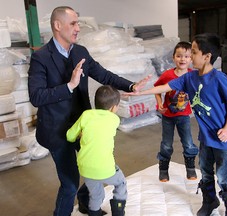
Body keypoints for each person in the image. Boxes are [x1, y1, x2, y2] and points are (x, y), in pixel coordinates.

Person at [28, 6, 150, 216]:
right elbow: (36, 96)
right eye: (73, 23)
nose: (78, 28)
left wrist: (130, 86)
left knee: (96, 166)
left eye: (78, 23)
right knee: (69, 183)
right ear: (58, 25)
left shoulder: (80, 52)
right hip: (57, 131)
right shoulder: (41, 58)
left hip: (82, 127)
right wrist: (69, 86)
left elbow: (103, 74)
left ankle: (85, 203)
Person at [124, 33, 227, 216]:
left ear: (207, 57)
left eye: (194, 52)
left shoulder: (218, 78)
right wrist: (139, 93)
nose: (190, 56)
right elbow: (165, 87)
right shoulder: (190, 78)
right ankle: (209, 201)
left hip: (223, 139)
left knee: (224, 174)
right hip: (206, 138)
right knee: (205, 171)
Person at [66, 85, 126, 216]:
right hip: (105, 168)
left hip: (86, 168)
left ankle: (94, 213)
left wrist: (80, 134)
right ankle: (118, 213)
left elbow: (70, 136)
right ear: (113, 108)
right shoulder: (115, 119)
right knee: (121, 183)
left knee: (96, 195)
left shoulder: (86, 115)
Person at [154, 41, 198, 182]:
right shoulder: (167, 75)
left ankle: (190, 170)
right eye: (179, 56)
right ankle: (163, 170)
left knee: (188, 143)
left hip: (184, 116)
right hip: (167, 116)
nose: (182, 59)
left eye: (186, 56)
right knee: (166, 144)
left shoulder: (193, 75)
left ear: (191, 59)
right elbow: (157, 90)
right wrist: (160, 103)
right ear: (173, 58)